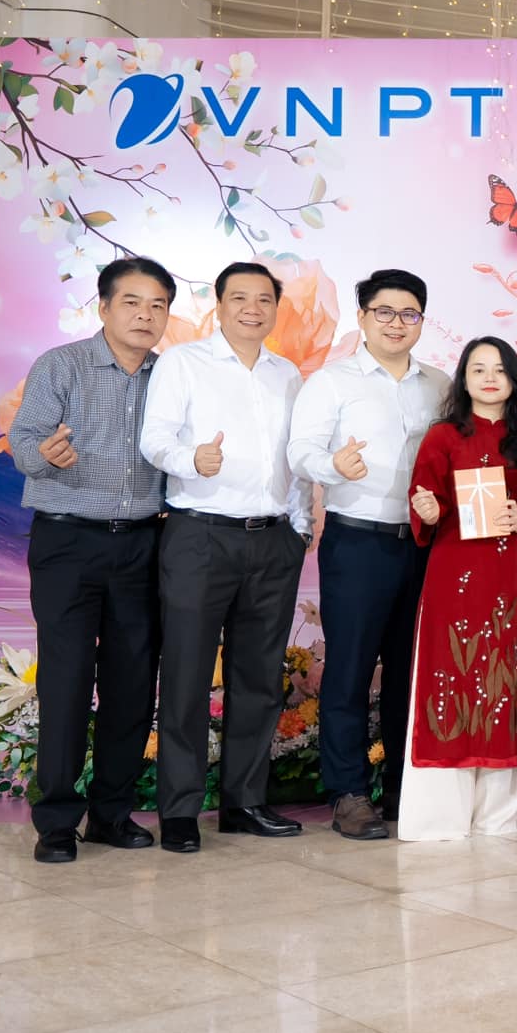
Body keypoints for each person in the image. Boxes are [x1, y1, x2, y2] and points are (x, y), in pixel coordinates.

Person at [139, 261, 311, 852]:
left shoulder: (288, 374)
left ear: (275, 308)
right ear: (218, 305)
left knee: (259, 679)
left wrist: (299, 527)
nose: (252, 309)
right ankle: (180, 811)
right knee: (187, 675)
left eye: (264, 299)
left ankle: (244, 803)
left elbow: (295, 458)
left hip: (274, 540)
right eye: (239, 298)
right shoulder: (183, 363)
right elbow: (154, 439)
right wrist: (192, 460)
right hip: (200, 536)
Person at [9, 256, 175, 864]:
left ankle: (112, 814)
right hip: (67, 544)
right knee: (67, 680)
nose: (145, 315)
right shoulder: (62, 365)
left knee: (133, 682)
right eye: (132, 302)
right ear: (103, 307)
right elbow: (24, 439)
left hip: (144, 544)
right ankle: (56, 821)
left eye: (158, 305)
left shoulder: (172, 375)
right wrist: (44, 455)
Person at [287, 269, 446, 840]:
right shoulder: (332, 382)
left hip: (424, 545)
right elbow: (300, 451)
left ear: (421, 321)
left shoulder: (440, 385)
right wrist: (333, 466)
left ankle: (407, 790)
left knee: (410, 671)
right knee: (350, 671)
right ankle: (348, 793)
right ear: (362, 317)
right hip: (357, 541)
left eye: (409, 314)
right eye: (384, 312)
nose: (396, 323)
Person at [399, 336, 517, 841]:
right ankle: (439, 818)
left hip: (509, 579)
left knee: (505, 684)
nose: (489, 378)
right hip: (453, 577)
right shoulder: (443, 436)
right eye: (478, 369)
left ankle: (500, 816)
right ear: (463, 379)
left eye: (499, 369)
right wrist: (428, 508)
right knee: (449, 680)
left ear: (514, 379)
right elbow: (426, 500)